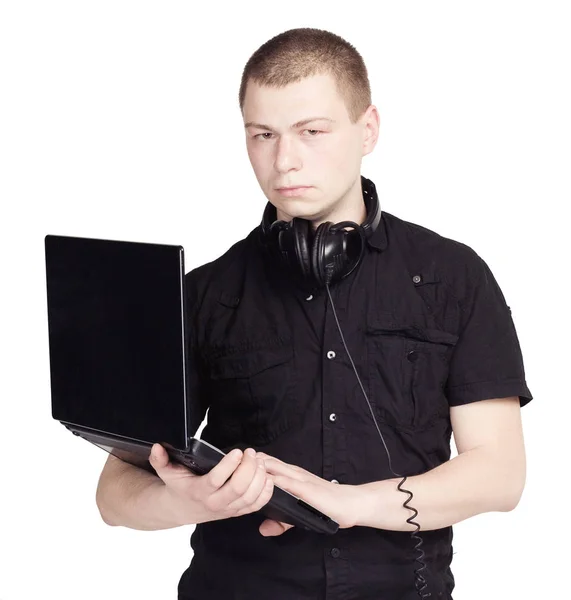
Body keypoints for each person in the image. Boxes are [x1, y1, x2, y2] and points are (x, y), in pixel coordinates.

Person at [95, 27, 533, 599]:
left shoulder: (453, 276)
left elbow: (500, 474)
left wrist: (347, 503)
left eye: (312, 131)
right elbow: (113, 495)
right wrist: (185, 499)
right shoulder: (201, 293)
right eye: (263, 135)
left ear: (367, 129)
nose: (285, 160)